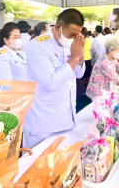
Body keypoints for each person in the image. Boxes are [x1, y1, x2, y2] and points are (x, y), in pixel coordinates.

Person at [24, 9, 86, 148]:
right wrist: (74, 57)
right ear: (58, 27)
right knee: (39, 167)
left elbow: (78, 74)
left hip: (66, 117)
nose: (73, 38)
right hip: (44, 123)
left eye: (77, 35)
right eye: (71, 34)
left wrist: (80, 57)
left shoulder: (69, 43)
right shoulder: (38, 46)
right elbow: (50, 83)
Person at [77, 27, 92, 97]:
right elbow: (90, 49)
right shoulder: (88, 40)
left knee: (80, 77)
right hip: (88, 59)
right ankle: (86, 91)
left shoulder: (78, 40)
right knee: (87, 76)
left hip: (81, 60)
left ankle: (79, 93)